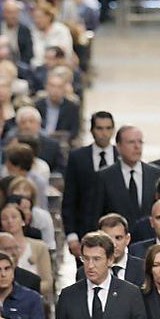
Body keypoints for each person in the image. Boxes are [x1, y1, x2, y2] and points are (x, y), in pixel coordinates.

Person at [62, 111, 117, 258]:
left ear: (113, 130)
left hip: (117, 234)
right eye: (99, 128)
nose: (104, 133)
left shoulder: (121, 157)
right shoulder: (77, 157)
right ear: (92, 130)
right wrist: (72, 235)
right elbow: (69, 198)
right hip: (84, 232)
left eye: (108, 128)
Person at [0, 201, 54, 300]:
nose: (10, 221)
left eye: (14, 217)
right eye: (5, 218)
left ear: (23, 221)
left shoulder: (40, 247)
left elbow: (47, 283)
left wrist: (25, 291)